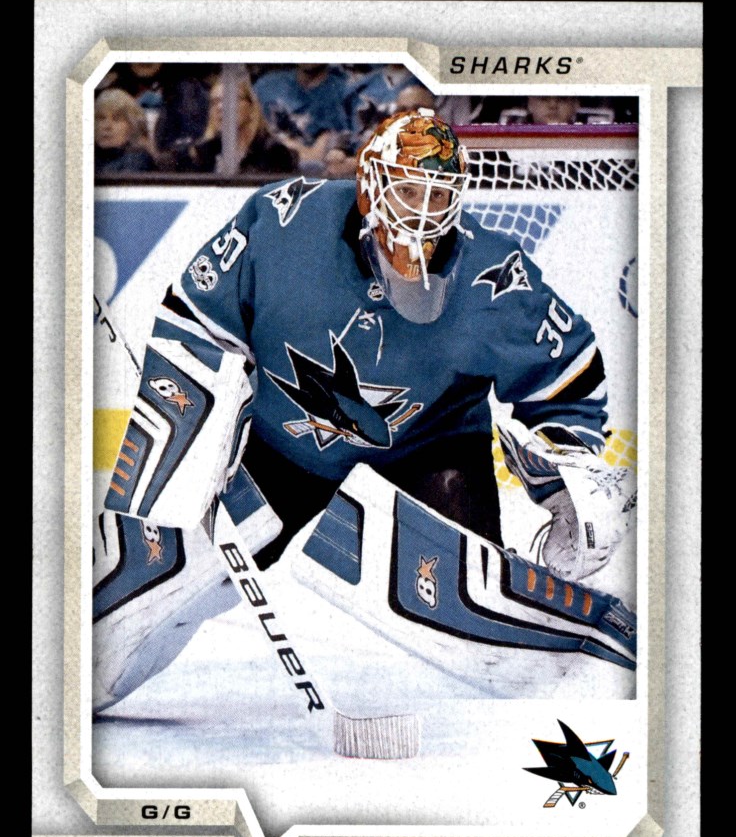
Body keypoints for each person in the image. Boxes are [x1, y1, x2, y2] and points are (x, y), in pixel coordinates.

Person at [98, 109, 635, 711]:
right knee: (164, 578)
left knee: (470, 602)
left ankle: (602, 649)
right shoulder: (284, 220)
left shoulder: (493, 279)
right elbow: (197, 315)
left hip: (430, 448)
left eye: (439, 195)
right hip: (281, 449)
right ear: (371, 182)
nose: (424, 212)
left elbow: (569, 374)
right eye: (409, 190)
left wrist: (567, 475)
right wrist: (203, 429)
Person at [165, 75, 297, 176]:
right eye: (214, 102)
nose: (220, 107)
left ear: (251, 109)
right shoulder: (202, 153)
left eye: (230, 99)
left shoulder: (275, 153)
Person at [94, 89, 156, 175]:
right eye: (101, 118)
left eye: (116, 119)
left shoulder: (138, 159)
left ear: (131, 126)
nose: (107, 126)